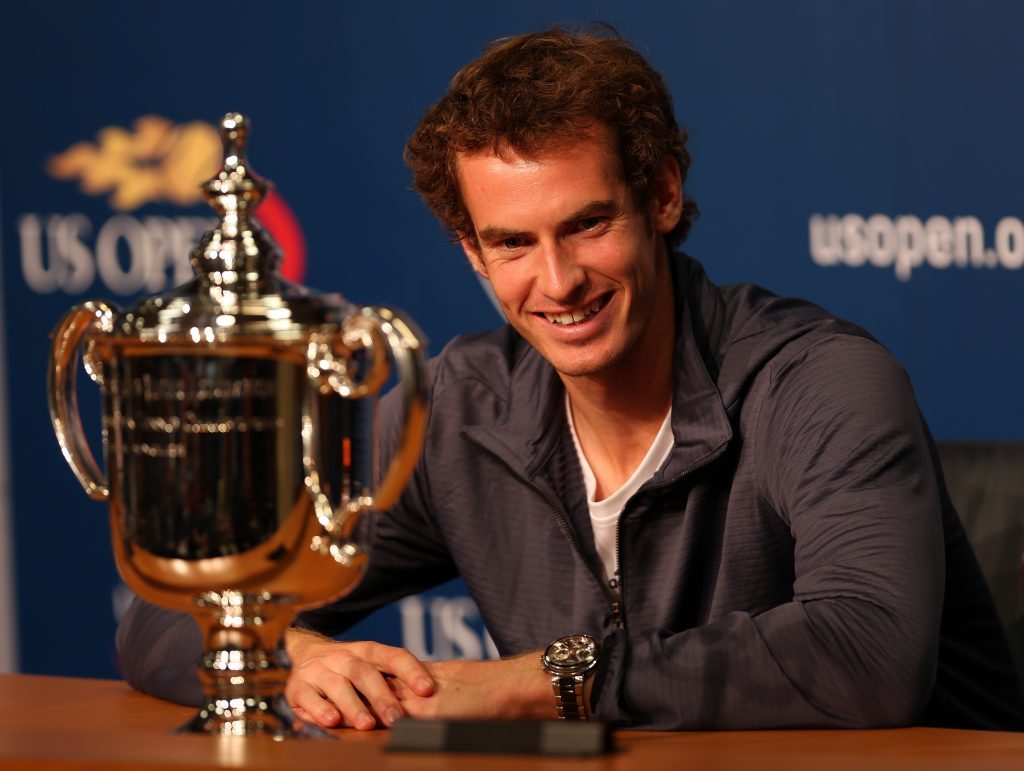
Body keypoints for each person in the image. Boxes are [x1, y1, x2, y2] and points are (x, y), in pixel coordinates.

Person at [118, 26, 1024, 731]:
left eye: (588, 225)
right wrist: (288, 655)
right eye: (512, 242)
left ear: (662, 196)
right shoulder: (463, 406)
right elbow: (167, 611)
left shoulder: (822, 381)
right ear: (471, 249)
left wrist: (549, 680)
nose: (557, 282)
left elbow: (870, 652)